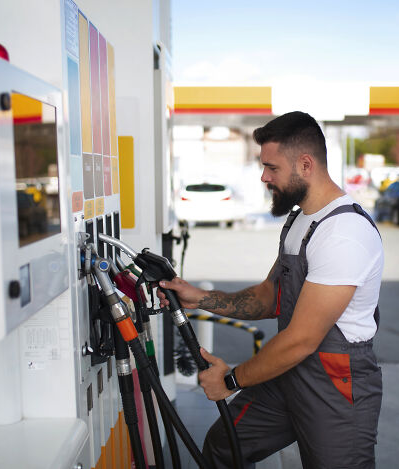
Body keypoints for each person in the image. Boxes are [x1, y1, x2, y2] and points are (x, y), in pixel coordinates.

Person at [158, 111, 383, 468]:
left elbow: (301, 340)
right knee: (224, 444)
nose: (264, 177)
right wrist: (198, 297)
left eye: (272, 168)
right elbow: (269, 295)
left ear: (305, 164)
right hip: (289, 375)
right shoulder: (300, 221)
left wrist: (231, 380)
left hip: (334, 386)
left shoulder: (344, 233)